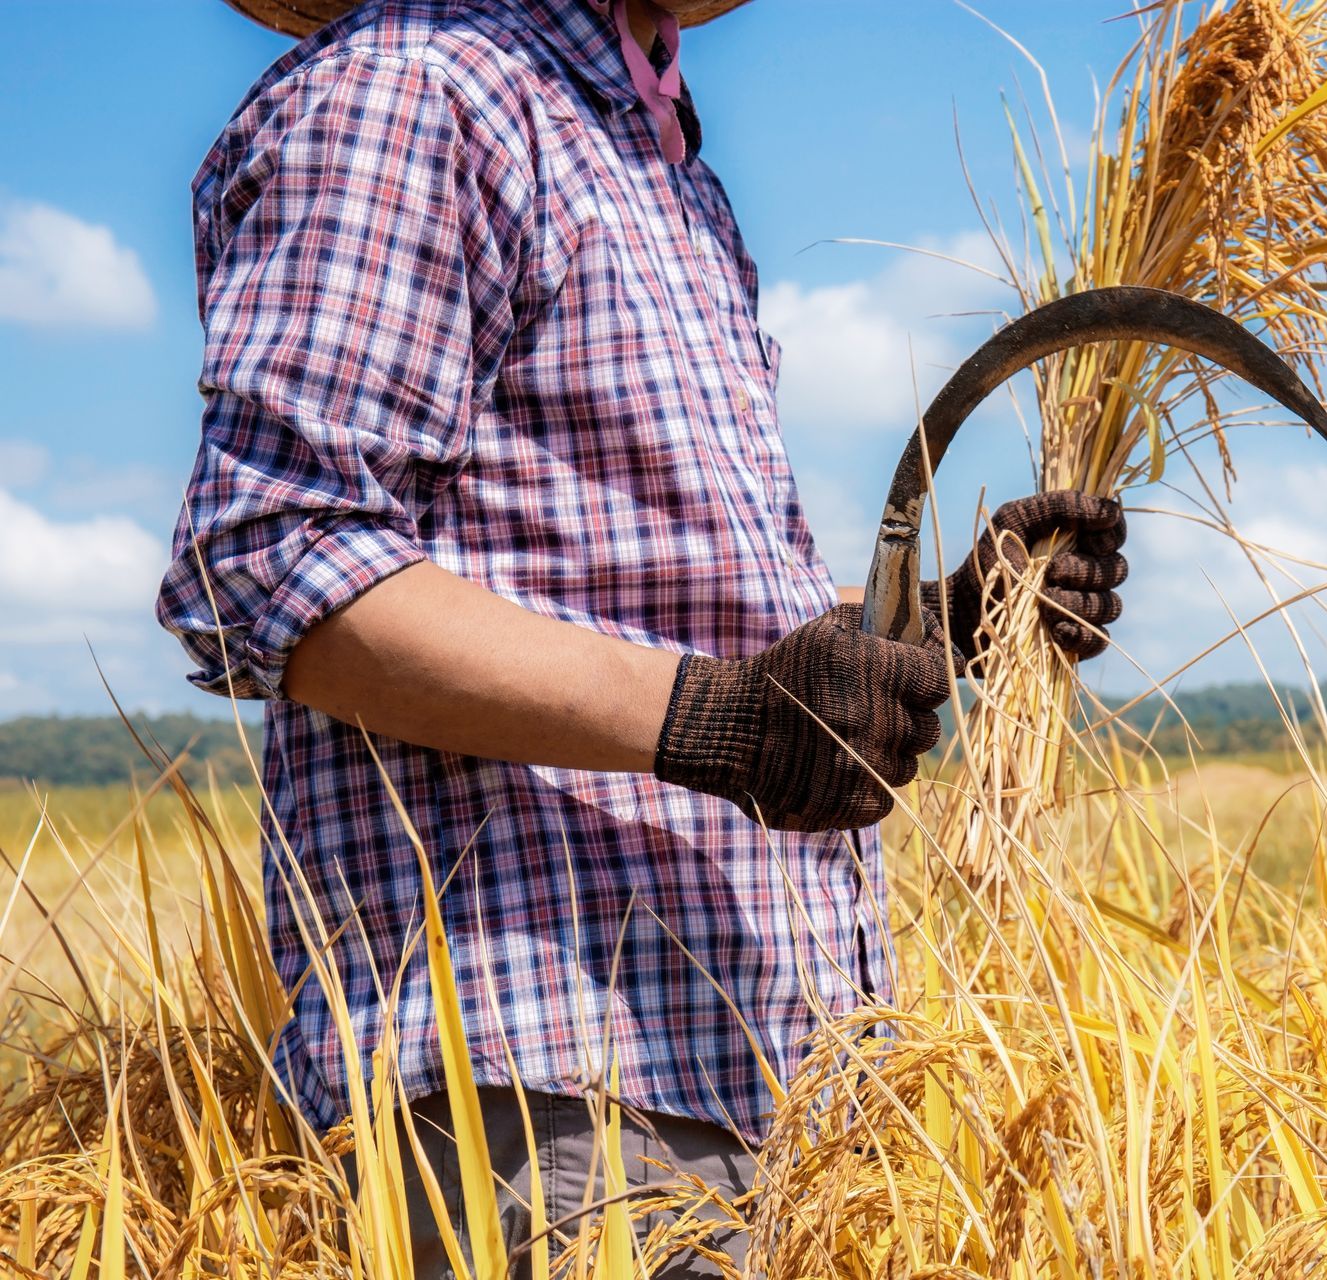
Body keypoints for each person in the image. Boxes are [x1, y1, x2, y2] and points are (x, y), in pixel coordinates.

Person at [157, 0, 1128, 1274]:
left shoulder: (662, 177)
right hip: (551, 1101)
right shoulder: (416, 90)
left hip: (761, 1078)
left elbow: (653, 603)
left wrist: (930, 630)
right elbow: (273, 558)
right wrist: (719, 719)